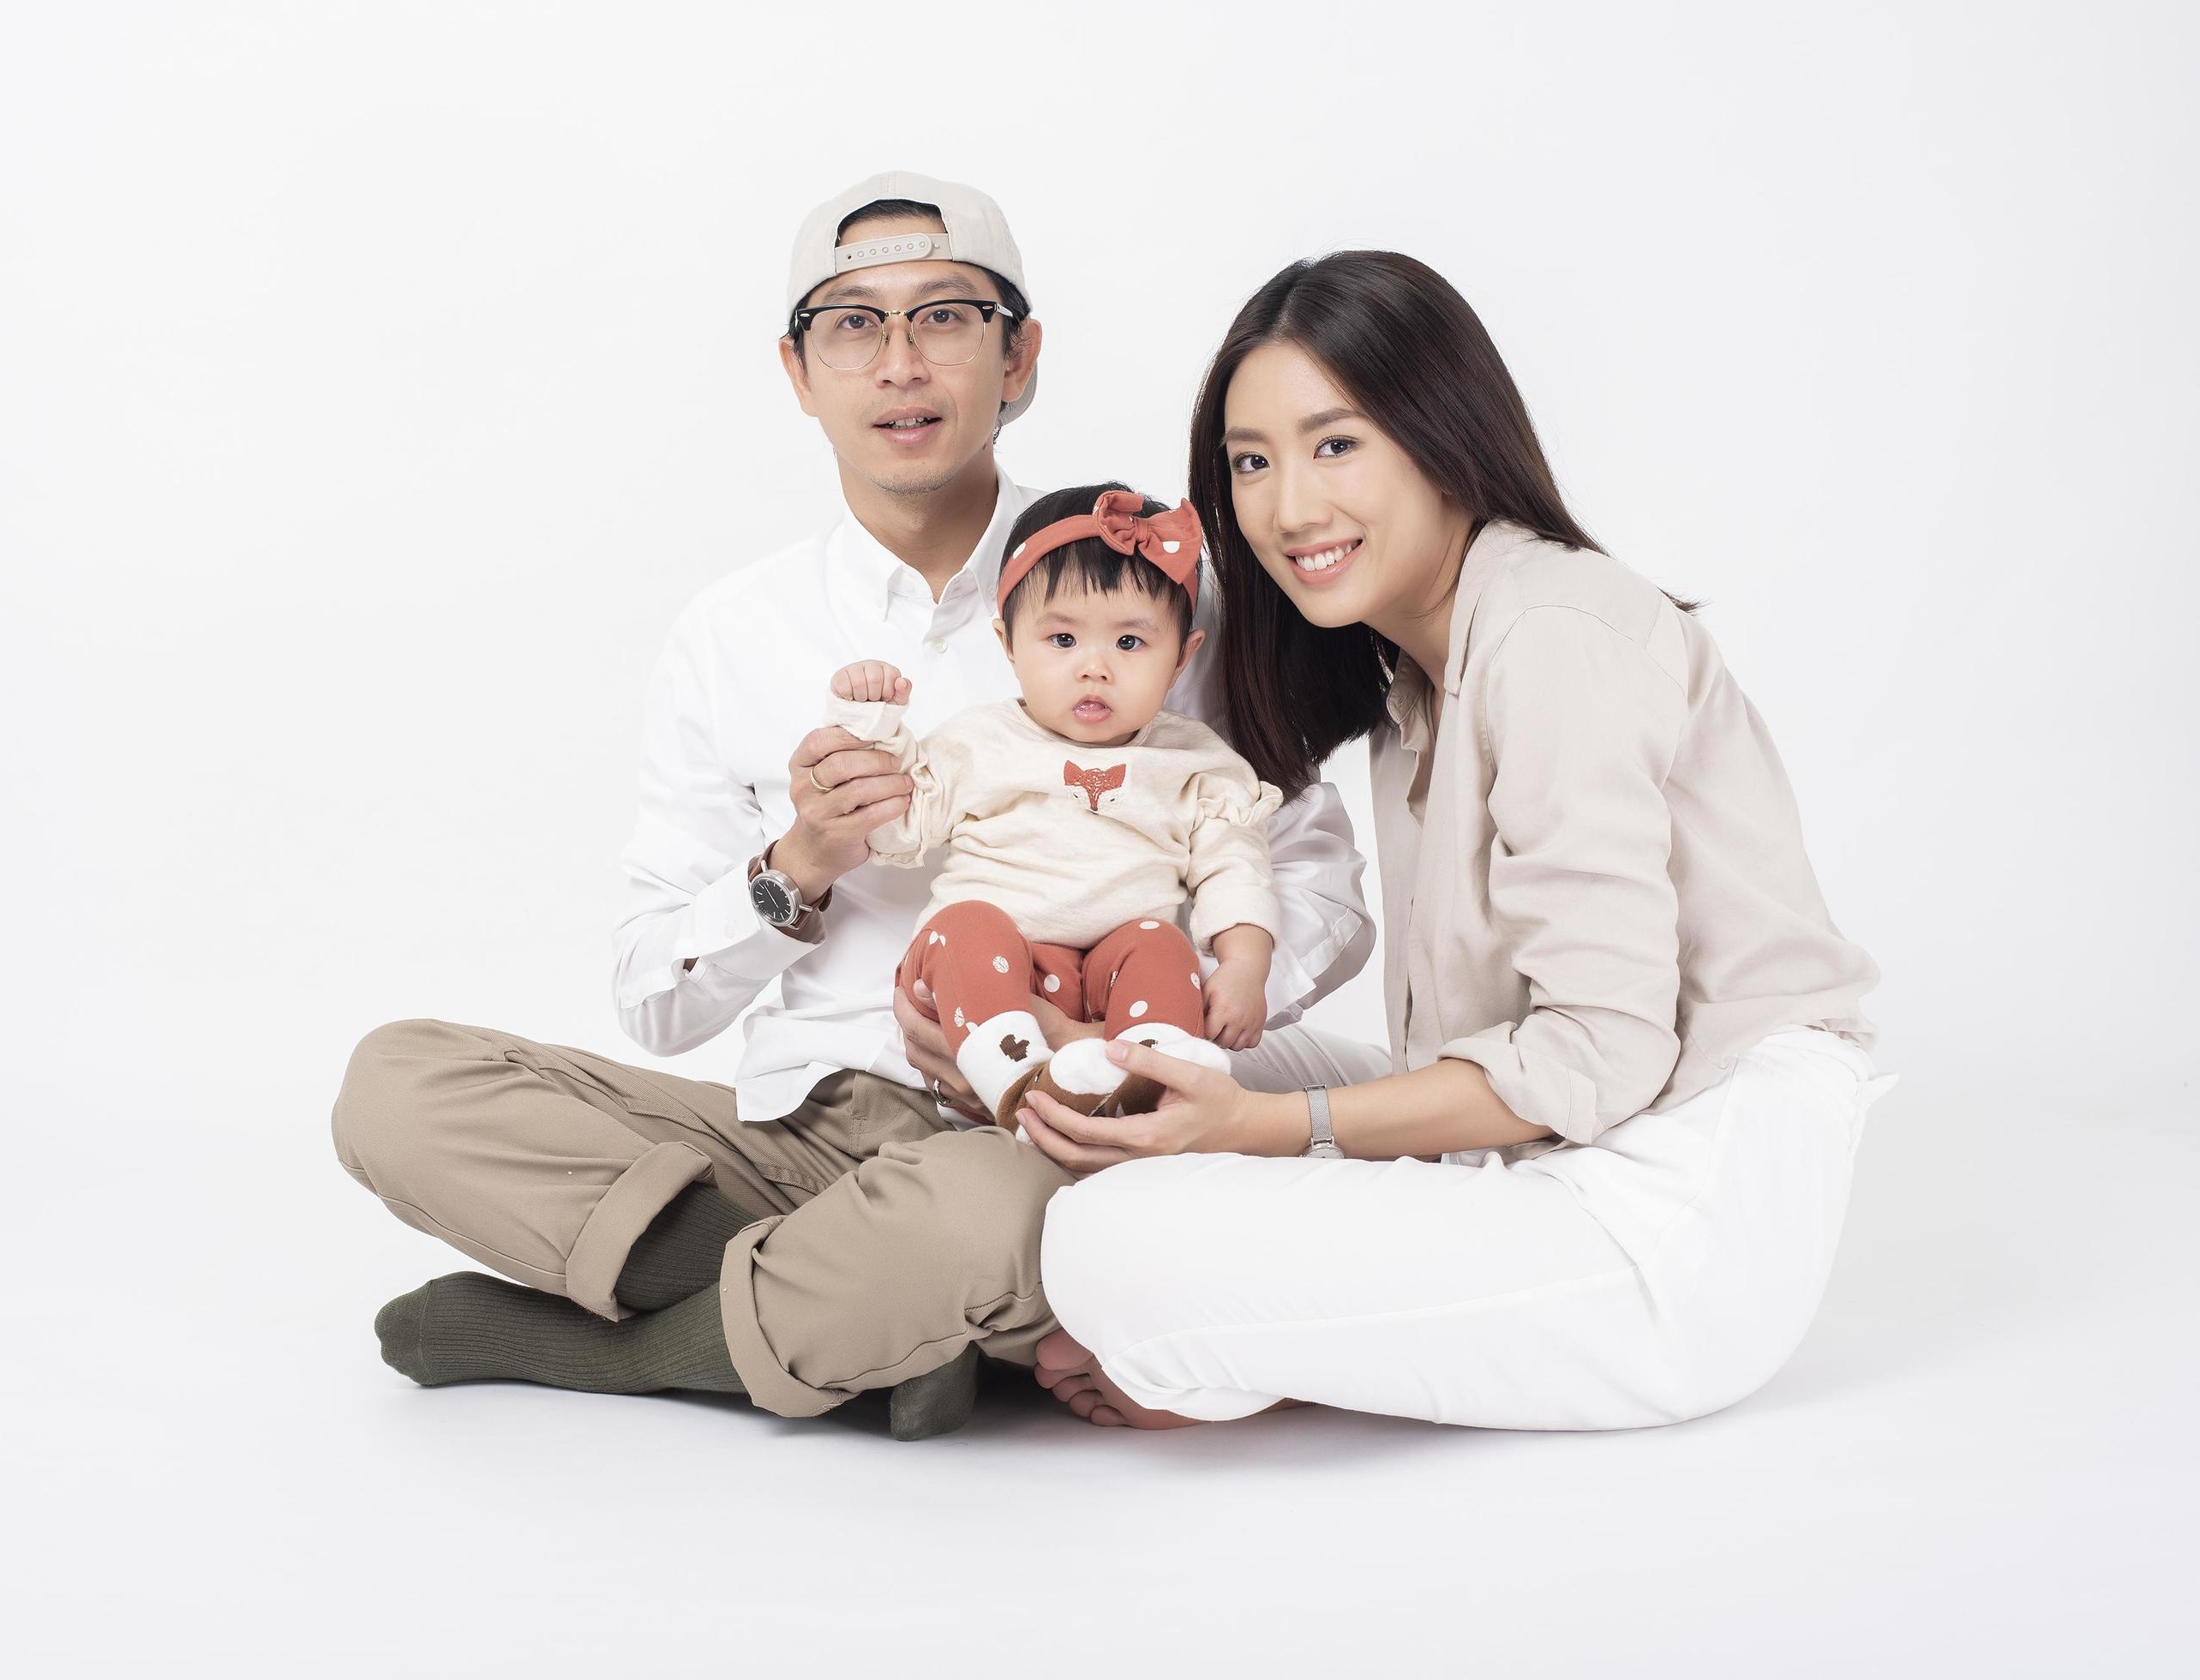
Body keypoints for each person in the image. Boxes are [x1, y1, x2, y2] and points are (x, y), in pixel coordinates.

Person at [327, 175, 1387, 1439]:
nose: (899, 362)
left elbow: (1319, 889)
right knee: (395, 1089)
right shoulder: (731, 635)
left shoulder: (1157, 597)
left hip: (1042, 1128)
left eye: (945, 317)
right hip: (800, 1127)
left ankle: (643, 1349)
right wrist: (800, 861)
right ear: (797, 369)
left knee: (994, 1217)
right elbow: (653, 997)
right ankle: (884, 1326)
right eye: (852, 325)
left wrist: (1135, 1005)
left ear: (1019, 358)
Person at [1016, 250, 1894, 1431]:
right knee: (1152, 1077)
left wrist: (1269, 1137)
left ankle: (1215, 1350)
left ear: (1441, 433)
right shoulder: (1418, 674)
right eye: (1251, 463)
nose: (1286, 509)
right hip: (1559, 1146)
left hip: (1672, 1211)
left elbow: (1597, 1059)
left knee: (1108, 1232)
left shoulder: (1550, 635)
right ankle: (1236, 1338)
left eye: (1337, 445)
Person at [830, 483, 1280, 1127]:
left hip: (1109, 983)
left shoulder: (1195, 764)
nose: (1093, 668)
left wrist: (1243, 967)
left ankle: (1147, 1077)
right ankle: (1015, 1082)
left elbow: (1235, 869)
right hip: (985, 974)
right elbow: (897, 831)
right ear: (1008, 643)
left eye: (1129, 644)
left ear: (1181, 659)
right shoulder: (978, 743)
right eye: (1061, 640)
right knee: (967, 924)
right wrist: (869, 727)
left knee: (1161, 945)